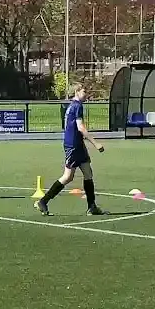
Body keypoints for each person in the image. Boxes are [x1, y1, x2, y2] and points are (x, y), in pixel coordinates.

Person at [36, 83, 104, 216]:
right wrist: (96, 144)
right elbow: (80, 127)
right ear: (77, 92)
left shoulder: (72, 106)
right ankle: (43, 201)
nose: (86, 94)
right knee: (68, 177)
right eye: (84, 91)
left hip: (77, 145)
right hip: (73, 146)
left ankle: (92, 206)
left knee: (88, 172)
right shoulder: (77, 106)